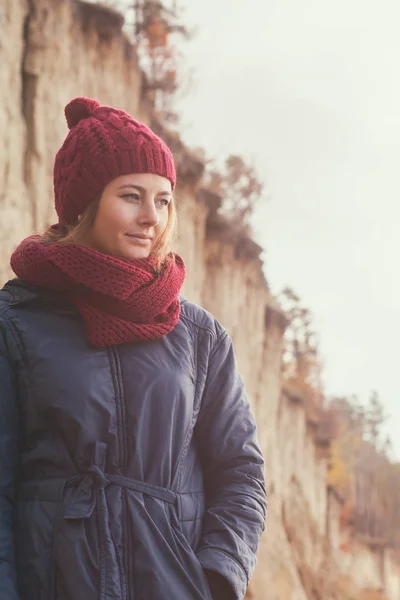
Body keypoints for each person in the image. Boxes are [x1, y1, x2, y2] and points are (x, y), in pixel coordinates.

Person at [0, 96, 267, 600]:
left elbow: (241, 472)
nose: (151, 217)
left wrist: (215, 578)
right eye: (131, 195)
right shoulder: (17, 323)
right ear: (85, 203)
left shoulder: (201, 337)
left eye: (163, 200)